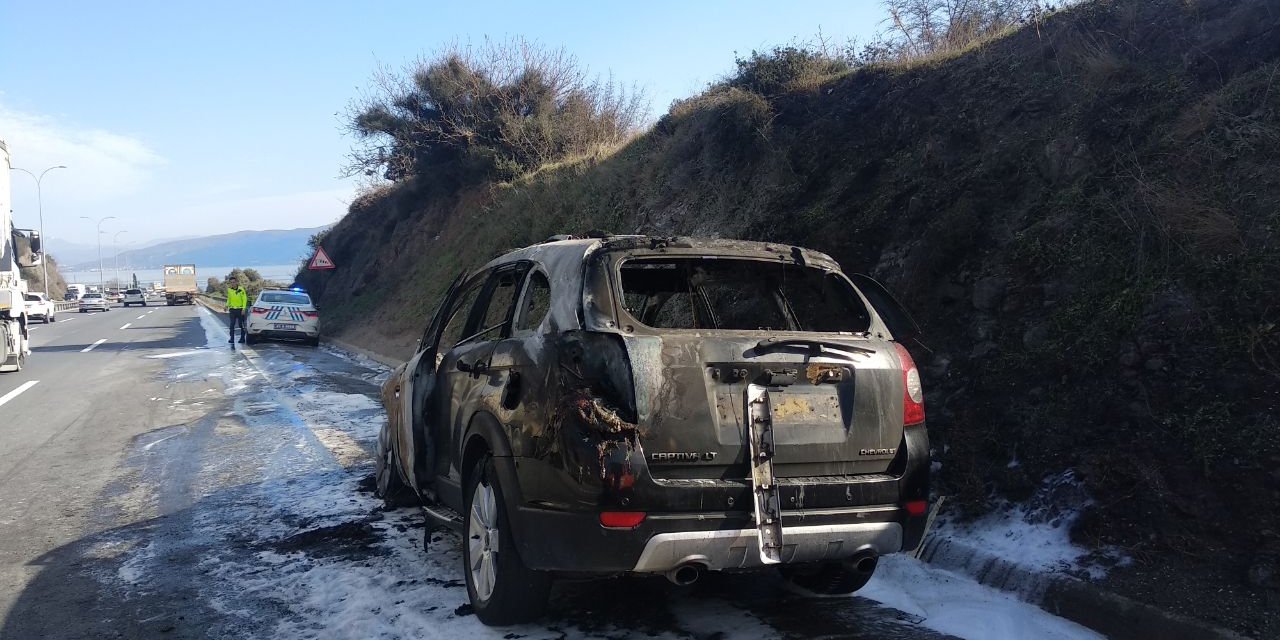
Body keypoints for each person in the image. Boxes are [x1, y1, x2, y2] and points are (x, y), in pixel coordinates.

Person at [226, 276, 249, 346]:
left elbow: (244, 299)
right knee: (232, 324)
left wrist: (244, 308)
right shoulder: (229, 290)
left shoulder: (241, 289)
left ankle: (242, 338)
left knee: (241, 325)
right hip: (232, 309)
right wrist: (226, 305)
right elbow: (229, 299)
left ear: (236, 282)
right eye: (231, 283)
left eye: (234, 282)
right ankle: (231, 338)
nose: (233, 284)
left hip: (240, 309)